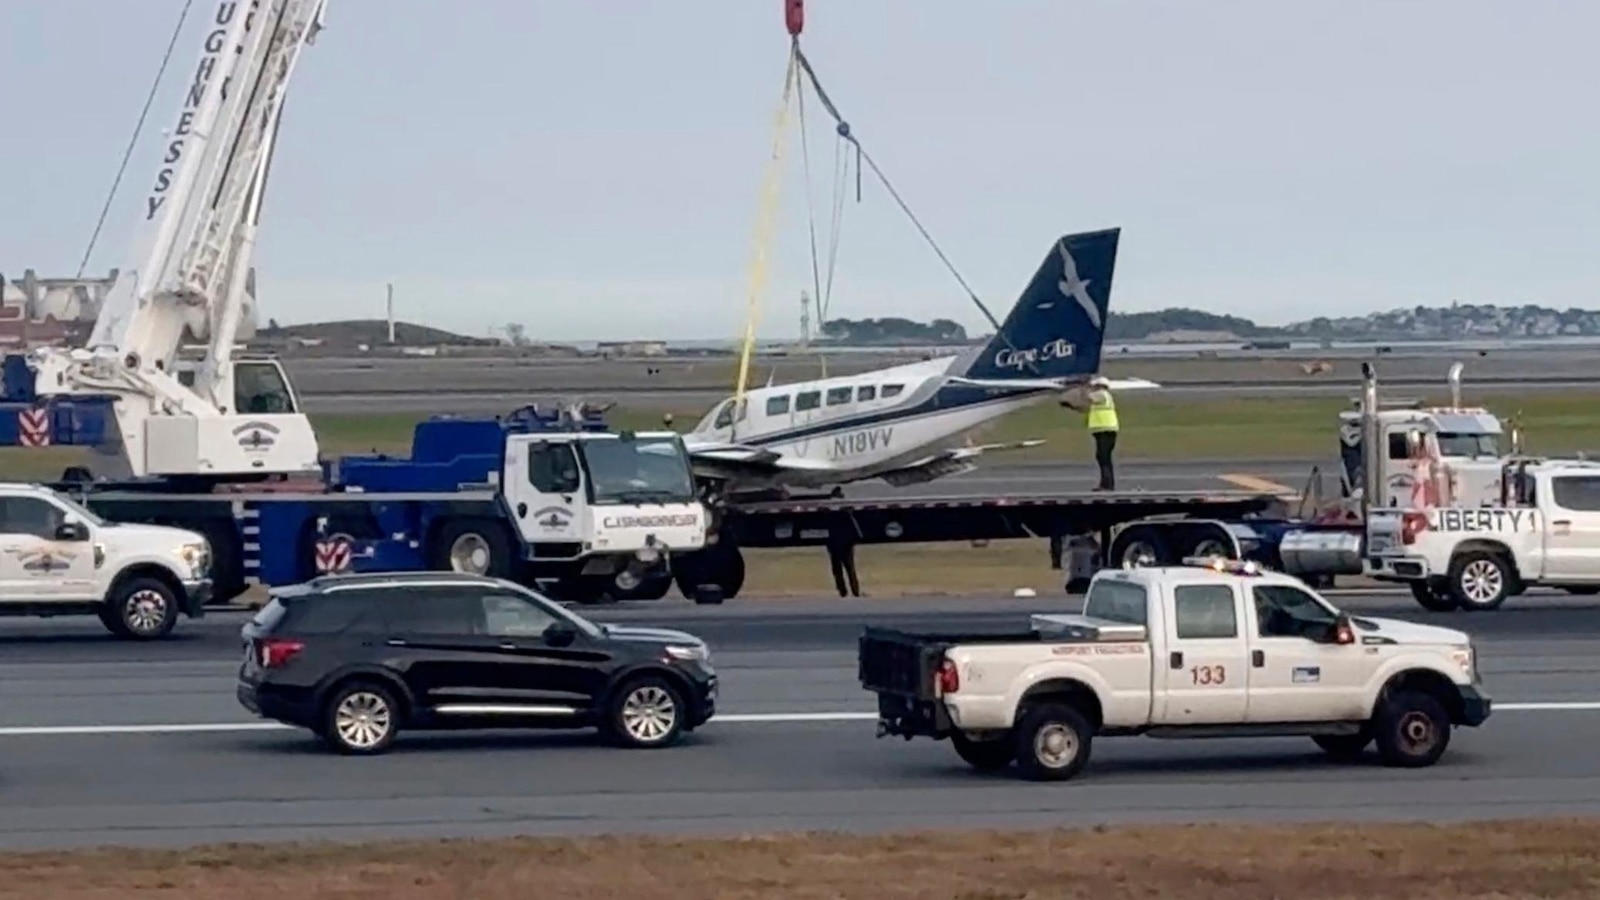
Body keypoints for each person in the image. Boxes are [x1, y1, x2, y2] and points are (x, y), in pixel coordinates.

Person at [1061, 376, 1119, 490]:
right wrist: (1071, 406)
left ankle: (1107, 485)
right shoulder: (1102, 397)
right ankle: (1107, 484)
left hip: (1105, 430)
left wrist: (1083, 387)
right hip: (1104, 430)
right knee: (1104, 457)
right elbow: (1085, 409)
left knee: (1103, 457)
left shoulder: (1101, 394)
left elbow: (1086, 398)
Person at [825, 521, 861, 598]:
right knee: (841, 569)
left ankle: (851, 591)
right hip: (838, 545)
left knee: (847, 569)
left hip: (843, 545)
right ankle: (845, 591)